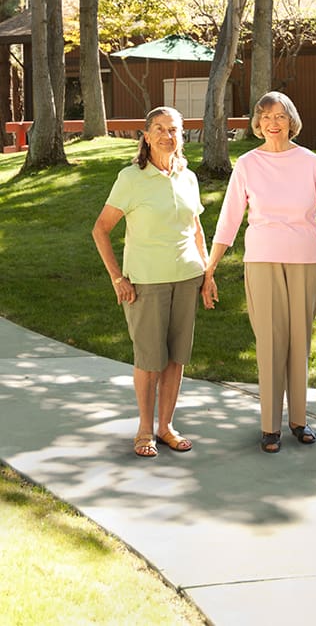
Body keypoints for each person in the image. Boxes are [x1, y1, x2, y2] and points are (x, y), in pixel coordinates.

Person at [202, 91, 316, 453]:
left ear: (291, 120)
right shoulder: (247, 164)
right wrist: (211, 267)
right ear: (257, 124)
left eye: (279, 116)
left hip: (307, 260)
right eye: (265, 118)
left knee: (300, 341)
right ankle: (269, 426)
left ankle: (299, 419)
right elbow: (229, 218)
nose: (273, 124)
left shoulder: (310, 162)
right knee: (270, 341)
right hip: (262, 259)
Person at [92, 107, 211, 458]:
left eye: (173, 129)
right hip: (146, 283)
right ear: (145, 135)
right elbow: (100, 229)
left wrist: (207, 273)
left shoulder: (188, 177)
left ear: (182, 135)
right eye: (158, 129)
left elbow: (196, 229)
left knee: (176, 358)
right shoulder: (130, 178)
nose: (166, 136)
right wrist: (117, 277)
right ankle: (144, 429)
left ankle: (166, 426)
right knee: (149, 359)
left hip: (187, 278)